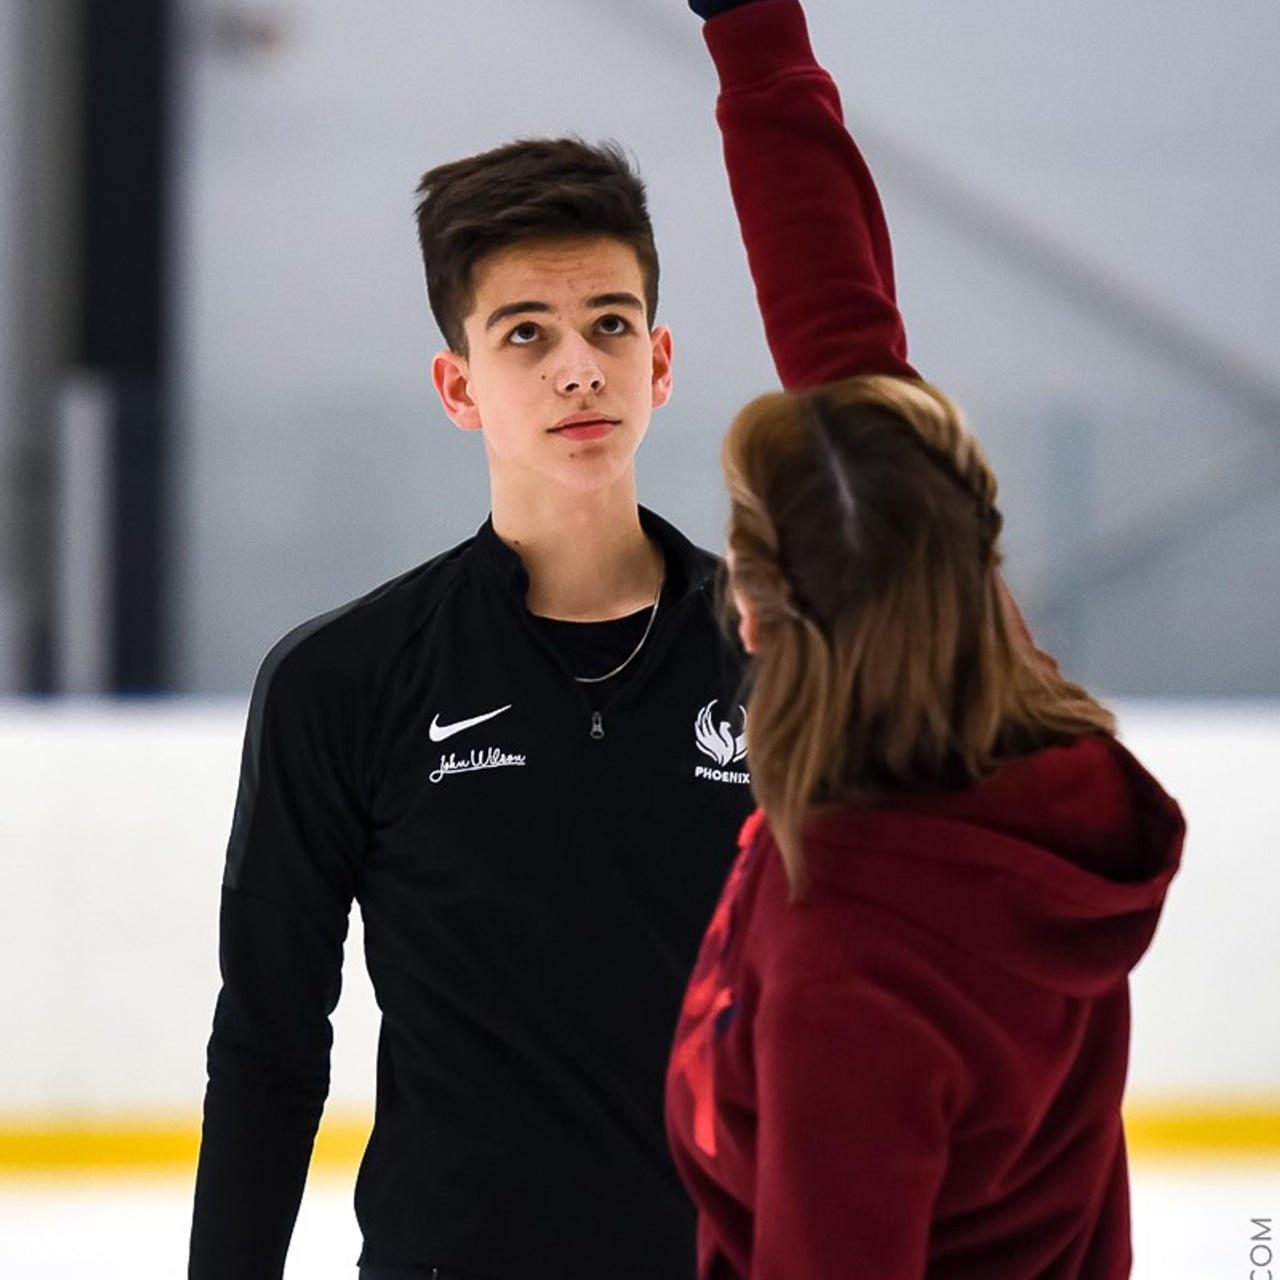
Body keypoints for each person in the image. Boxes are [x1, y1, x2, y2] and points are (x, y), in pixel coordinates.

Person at [666, 2, 1186, 1277]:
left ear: (756, 608)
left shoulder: (849, 971)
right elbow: (840, 327)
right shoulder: (1002, 713)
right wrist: (749, 29)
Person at [188, 137, 755, 1279]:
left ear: (660, 359)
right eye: (524, 334)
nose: (578, 368)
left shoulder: (780, 659)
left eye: (608, 322)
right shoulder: (341, 682)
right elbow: (267, 1041)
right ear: (458, 387)